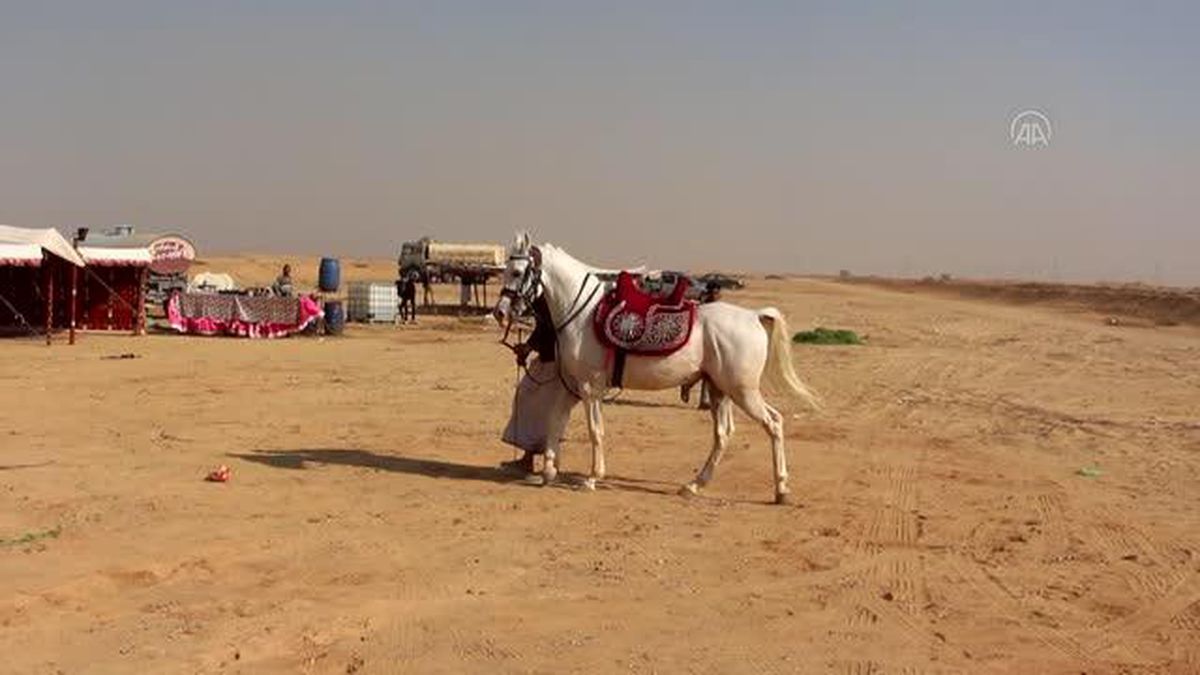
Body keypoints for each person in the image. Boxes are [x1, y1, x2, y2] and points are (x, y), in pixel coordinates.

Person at [500, 295, 578, 478]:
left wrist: (528, 347)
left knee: (548, 410)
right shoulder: (541, 298)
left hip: (556, 362)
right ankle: (529, 458)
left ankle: (545, 462)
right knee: (527, 398)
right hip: (547, 359)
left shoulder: (551, 298)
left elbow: (549, 328)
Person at [681, 280, 722, 408]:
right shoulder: (703, 306)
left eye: (718, 292)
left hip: (712, 340)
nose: (717, 295)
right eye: (715, 292)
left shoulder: (717, 306)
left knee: (709, 373)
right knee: (706, 371)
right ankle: (692, 388)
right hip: (701, 341)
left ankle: (703, 399)